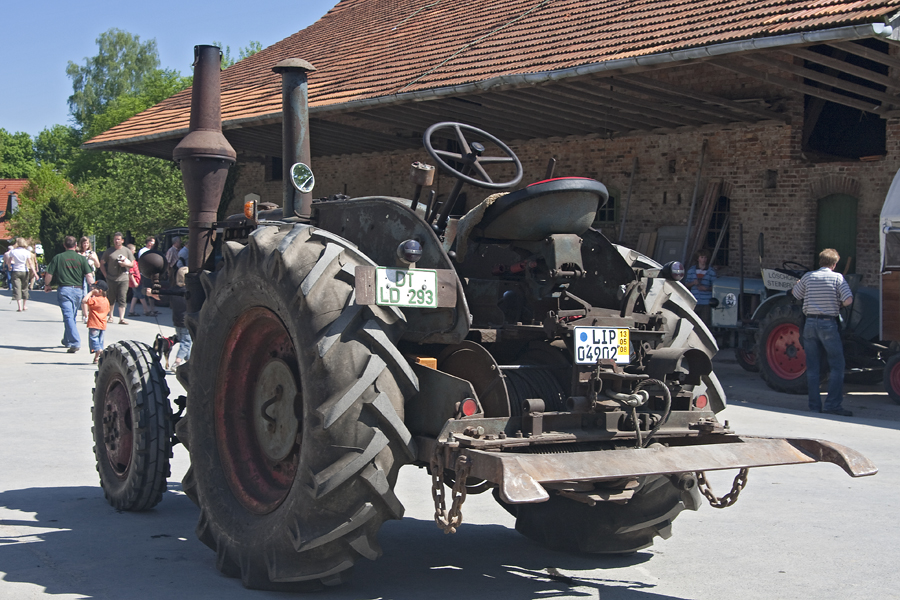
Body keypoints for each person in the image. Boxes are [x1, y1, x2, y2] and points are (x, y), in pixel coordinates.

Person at [792, 248, 854, 417]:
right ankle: (832, 405)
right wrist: (837, 304)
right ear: (834, 264)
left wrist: (798, 284)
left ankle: (814, 406)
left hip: (810, 323)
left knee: (812, 367)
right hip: (828, 323)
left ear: (820, 262)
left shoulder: (809, 277)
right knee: (837, 365)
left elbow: (796, 295)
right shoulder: (837, 278)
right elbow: (848, 300)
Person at [43, 236, 94, 353]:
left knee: (68, 316)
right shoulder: (81, 259)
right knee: (71, 316)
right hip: (78, 291)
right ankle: (67, 340)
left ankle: (75, 342)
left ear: (64, 245)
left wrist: (47, 285)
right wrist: (94, 288)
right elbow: (89, 276)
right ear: (76, 245)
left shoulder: (58, 257)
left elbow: (49, 274)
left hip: (64, 290)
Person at [99, 232, 135, 324]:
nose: (116, 241)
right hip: (111, 278)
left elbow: (132, 264)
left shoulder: (127, 251)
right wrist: (105, 275)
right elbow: (101, 263)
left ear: (122, 240)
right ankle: (110, 317)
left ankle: (121, 318)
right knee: (111, 298)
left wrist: (125, 264)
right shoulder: (109, 251)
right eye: (115, 239)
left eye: (118, 239)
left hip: (123, 278)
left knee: (122, 298)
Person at [684, 248, 717, 327]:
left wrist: (706, 289)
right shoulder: (691, 271)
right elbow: (686, 284)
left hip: (706, 302)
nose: (703, 260)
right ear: (698, 258)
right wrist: (693, 283)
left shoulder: (711, 271)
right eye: (702, 257)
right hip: (694, 300)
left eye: (705, 257)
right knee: (692, 322)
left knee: (705, 324)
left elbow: (715, 286)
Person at [82, 280, 110, 364]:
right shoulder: (106, 300)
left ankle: (99, 350)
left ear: (100, 291)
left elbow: (84, 300)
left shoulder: (95, 300)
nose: (93, 289)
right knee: (100, 340)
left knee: (93, 339)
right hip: (103, 324)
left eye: (95, 288)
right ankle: (97, 358)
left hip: (94, 323)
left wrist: (91, 293)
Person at [128, 236, 157, 317]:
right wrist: (134, 281)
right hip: (139, 278)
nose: (134, 251)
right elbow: (131, 272)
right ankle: (147, 310)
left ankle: (131, 311)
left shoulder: (134, 260)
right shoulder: (134, 259)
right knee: (141, 294)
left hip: (139, 277)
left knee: (136, 295)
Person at [6, 238, 36, 312]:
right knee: (24, 288)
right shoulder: (26, 252)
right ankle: (24, 305)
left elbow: (9, 261)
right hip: (24, 271)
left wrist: (9, 266)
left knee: (17, 288)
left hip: (16, 270)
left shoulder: (13, 251)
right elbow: (30, 263)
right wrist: (35, 273)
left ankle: (19, 306)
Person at [170, 267, 192, 368]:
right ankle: (177, 362)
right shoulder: (189, 291)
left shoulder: (174, 290)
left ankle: (190, 362)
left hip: (176, 319)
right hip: (186, 320)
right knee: (186, 342)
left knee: (184, 340)